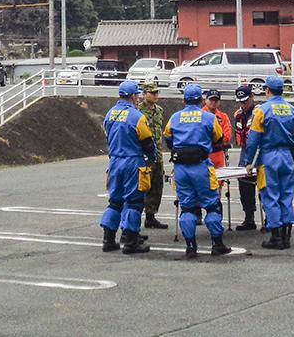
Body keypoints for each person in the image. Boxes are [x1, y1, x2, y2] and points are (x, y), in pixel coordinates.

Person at [163, 83, 231, 258]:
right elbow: (219, 138)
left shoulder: (175, 117)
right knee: (212, 205)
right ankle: (217, 244)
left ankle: (191, 246)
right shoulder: (208, 117)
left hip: (180, 169)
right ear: (201, 99)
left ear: (184, 99)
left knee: (187, 207)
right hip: (201, 167)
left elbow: (168, 138)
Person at [99, 80, 157, 255]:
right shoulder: (137, 116)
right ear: (133, 96)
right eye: (137, 95)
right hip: (133, 162)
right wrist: (152, 159)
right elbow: (147, 142)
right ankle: (131, 242)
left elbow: (108, 135)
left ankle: (108, 239)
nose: (138, 98)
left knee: (115, 201)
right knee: (134, 202)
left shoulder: (110, 114)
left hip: (115, 162)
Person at [245, 76, 294, 250]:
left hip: (269, 157)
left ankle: (276, 237)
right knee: (286, 196)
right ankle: (286, 237)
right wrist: (293, 157)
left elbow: (253, 138)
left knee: (271, 196)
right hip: (287, 157)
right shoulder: (293, 110)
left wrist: (249, 161)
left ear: (267, 90)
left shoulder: (262, 111)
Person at [139, 82, 168, 230]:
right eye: (152, 93)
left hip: (157, 154)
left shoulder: (159, 110)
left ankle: (151, 217)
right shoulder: (138, 110)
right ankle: (134, 222)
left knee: (157, 187)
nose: (155, 95)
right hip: (143, 155)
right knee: (141, 188)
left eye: (157, 92)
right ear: (144, 94)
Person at [233, 85, 259, 231]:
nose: (243, 104)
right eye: (240, 101)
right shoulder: (238, 114)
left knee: (264, 184)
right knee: (244, 182)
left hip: (259, 151)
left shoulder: (259, 112)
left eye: (245, 101)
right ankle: (249, 217)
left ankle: (270, 219)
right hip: (245, 150)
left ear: (252, 97)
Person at [203, 89, 232, 171]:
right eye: (211, 100)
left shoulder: (223, 117)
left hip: (218, 154)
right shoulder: (199, 115)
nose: (213, 102)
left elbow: (227, 137)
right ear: (205, 100)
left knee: (219, 181)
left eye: (216, 100)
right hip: (202, 155)